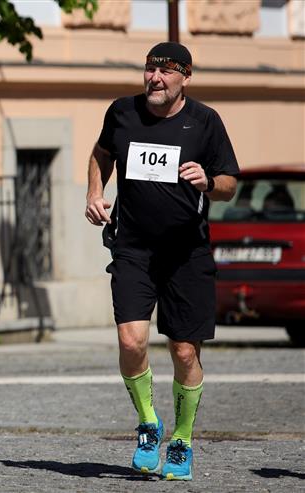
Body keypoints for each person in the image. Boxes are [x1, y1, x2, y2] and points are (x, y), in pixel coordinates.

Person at [84, 42, 239, 481]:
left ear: (185, 77)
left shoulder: (205, 121)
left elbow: (229, 184)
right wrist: (95, 192)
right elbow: (101, 153)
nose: (155, 78)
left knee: (184, 351)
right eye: (150, 70)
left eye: (166, 72)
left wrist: (207, 181)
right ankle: (149, 425)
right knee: (131, 342)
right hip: (133, 249)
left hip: (187, 254)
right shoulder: (123, 112)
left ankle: (183, 440)